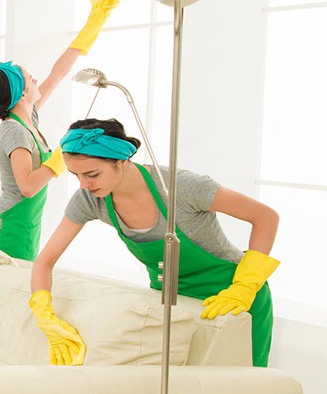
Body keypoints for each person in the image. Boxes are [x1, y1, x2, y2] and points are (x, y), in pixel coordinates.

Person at [29, 118, 281, 367]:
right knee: (179, 388)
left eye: (92, 174)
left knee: (239, 386)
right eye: (76, 175)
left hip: (234, 299)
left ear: (121, 160)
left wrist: (244, 287)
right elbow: (45, 261)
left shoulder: (182, 187)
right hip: (172, 304)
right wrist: (43, 313)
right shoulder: (90, 200)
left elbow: (265, 217)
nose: (84, 185)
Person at [0, 0, 122, 260]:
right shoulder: (15, 132)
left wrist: (94, 22)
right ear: (21, 93)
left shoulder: (28, 117)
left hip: (19, 226)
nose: (36, 80)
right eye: (30, 78)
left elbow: (59, 72)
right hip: (4, 229)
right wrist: (60, 158)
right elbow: (28, 187)